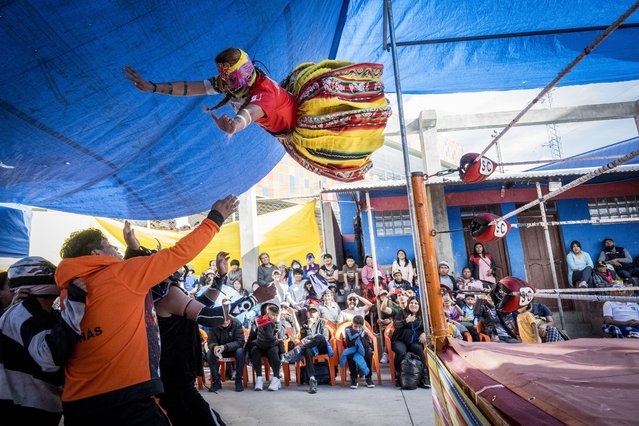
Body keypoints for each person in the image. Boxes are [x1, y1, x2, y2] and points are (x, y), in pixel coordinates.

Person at [53, 196, 237, 425]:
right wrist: (215, 219)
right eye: (110, 246)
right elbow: (178, 254)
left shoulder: (68, 290)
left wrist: (133, 247)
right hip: (125, 397)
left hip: (78, 403)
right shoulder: (123, 276)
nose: (117, 250)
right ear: (95, 255)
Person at [124, 49, 391, 182]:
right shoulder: (234, 83)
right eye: (222, 78)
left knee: (343, 141)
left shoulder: (264, 93)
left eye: (227, 79)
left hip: (303, 123)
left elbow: (250, 114)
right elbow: (195, 87)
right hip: (284, 130)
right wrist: (153, 87)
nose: (222, 84)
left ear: (240, 75)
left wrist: (234, 125)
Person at [0, 257, 87, 425]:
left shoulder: (37, 313)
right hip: (20, 413)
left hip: (31, 412)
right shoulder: (22, 311)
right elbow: (49, 356)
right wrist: (75, 304)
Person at [281, 303, 331, 393]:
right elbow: (303, 339)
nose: (312, 314)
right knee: (307, 350)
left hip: (321, 347)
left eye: (314, 312)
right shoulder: (304, 325)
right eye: (310, 312)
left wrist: (312, 335)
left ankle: (298, 350)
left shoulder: (322, 323)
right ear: (307, 313)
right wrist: (309, 326)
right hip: (310, 348)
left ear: (317, 313)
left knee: (320, 337)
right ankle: (312, 380)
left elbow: (325, 338)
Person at [392, 296, 430, 388]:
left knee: (418, 349)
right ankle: (398, 376)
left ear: (419, 306)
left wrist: (425, 333)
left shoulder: (423, 315)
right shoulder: (402, 313)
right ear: (408, 304)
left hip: (415, 342)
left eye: (416, 303)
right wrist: (406, 321)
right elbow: (395, 325)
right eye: (411, 303)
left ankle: (424, 376)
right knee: (400, 352)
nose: (414, 305)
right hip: (400, 340)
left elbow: (429, 327)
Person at [249, 304, 285, 391]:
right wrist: (247, 351)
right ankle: (259, 378)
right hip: (260, 344)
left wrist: (277, 322)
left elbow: (282, 336)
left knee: (272, 351)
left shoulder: (279, 320)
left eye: (276, 314)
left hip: (273, 345)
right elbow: (252, 336)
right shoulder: (258, 321)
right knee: (254, 350)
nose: (274, 316)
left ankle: (276, 377)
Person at [206, 316, 246, 392]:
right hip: (220, 351)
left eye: (227, 319)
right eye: (223, 320)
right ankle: (216, 381)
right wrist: (214, 347)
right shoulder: (213, 325)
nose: (225, 322)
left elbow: (240, 341)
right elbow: (210, 341)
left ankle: (238, 381)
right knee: (209, 354)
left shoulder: (236, 323)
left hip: (233, 350)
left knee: (240, 351)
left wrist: (225, 347)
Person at [340, 315, 375, 389]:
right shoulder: (348, 330)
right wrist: (358, 336)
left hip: (363, 349)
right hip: (352, 348)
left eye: (359, 327)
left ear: (362, 326)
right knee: (350, 355)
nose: (357, 329)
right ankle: (353, 378)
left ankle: (368, 377)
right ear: (352, 324)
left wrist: (362, 336)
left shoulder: (364, 331)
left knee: (369, 353)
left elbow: (367, 345)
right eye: (355, 326)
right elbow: (349, 343)